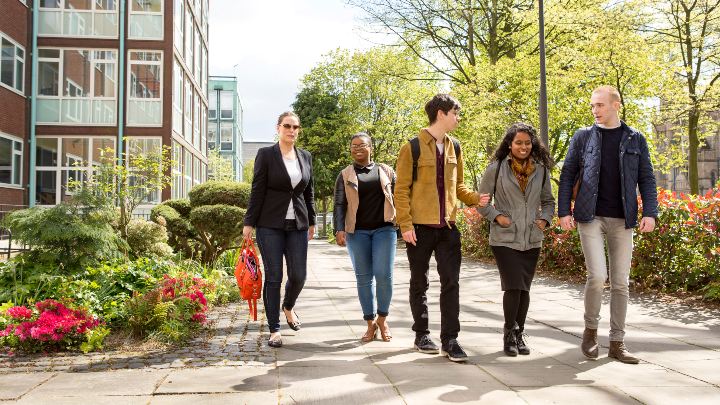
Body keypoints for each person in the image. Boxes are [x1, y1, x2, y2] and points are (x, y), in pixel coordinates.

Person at [558, 85, 658, 364]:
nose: (595, 111)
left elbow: (647, 178)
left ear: (616, 105)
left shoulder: (635, 139)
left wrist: (650, 212)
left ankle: (617, 342)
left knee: (620, 283)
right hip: (590, 215)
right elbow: (568, 173)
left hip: (623, 219)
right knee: (597, 276)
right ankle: (590, 332)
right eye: (592, 106)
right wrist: (563, 210)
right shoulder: (583, 137)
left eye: (600, 105)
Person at [394, 94, 490, 362]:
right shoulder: (411, 148)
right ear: (440, 113)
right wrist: (405, 224)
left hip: (448, 227)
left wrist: (475, 198)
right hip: (419, 229)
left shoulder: (455, 147)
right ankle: (421, 334)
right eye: (455, 113)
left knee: (451, 283)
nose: (458, 118)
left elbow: (458, 187)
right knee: (419, 282)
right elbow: (400, 190)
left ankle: (450, 339)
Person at [477, 123, 555, 357]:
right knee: (513, 286)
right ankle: (509, 333)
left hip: (532, 237)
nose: (523, 147)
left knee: (524, 289)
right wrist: (497, 216)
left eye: (527, 143)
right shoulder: (496, 168)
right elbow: (481, 202)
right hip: (504, 238)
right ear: (509, 144)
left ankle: (519, 335)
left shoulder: (541, 170)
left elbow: (549, 201)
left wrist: (544, 220)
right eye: (518, 142)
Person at [243, 111, 316, 349]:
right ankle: (274, 329)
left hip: (297, 225)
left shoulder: (305, 156)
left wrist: (312, 220)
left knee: (298, 275)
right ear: (278, 128)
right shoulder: (266, 155)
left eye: (296, 127)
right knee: (274, 277)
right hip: (269, 225)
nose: (292, 130)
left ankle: (288, 306)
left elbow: (308, 193)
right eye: (287, 126)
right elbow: (257, 190)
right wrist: (249, 222)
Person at [334, 133, 397, 343]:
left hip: (384, 229)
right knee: (363, 278)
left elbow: (400, 197)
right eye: (353, 145)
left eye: (362, 145)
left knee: (384, 275)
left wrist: (405, 223)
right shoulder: (345, 174)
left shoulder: (386, 171)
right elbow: (340, 204)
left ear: (371, 147)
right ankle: (370, 323)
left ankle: (383, 318)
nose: (357, 148)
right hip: (357, 232)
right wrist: (339, 229)